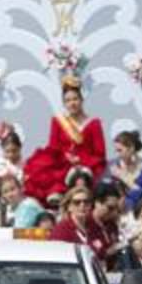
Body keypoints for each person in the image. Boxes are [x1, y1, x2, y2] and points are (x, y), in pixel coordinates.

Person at [22, 74, 106, 205]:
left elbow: (100, 154)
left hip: (85, 165)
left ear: (81, 100)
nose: (72, 103)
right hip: (62, 161)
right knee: (40, 166)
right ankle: (54, 195)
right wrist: (66, 157)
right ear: (64, 103)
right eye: (67, 100)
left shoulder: (94, 123)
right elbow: (53, 147)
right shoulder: (58, 122)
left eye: (75, 99)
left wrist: (80, 160)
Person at [50, 185, 108, 262]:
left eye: (86, 202)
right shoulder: (61, 230)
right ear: (69, 206)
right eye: (77, 202)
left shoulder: (94, 227)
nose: (82, 205)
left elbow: (102, 253)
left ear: (91, 205)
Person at [108, 130, 142, 211]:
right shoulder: (115, 165)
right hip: (119, 212)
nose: (117, 154)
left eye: (120, 150)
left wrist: (125, 177)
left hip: (141, 211)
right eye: (116, 151)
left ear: (131, 148)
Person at [93, 181, 125, 269]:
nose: (114, 212)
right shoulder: (86, 224)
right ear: (97, 203)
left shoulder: (112, 225)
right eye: (110, 208)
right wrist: (111, 251)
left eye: (116, 208)